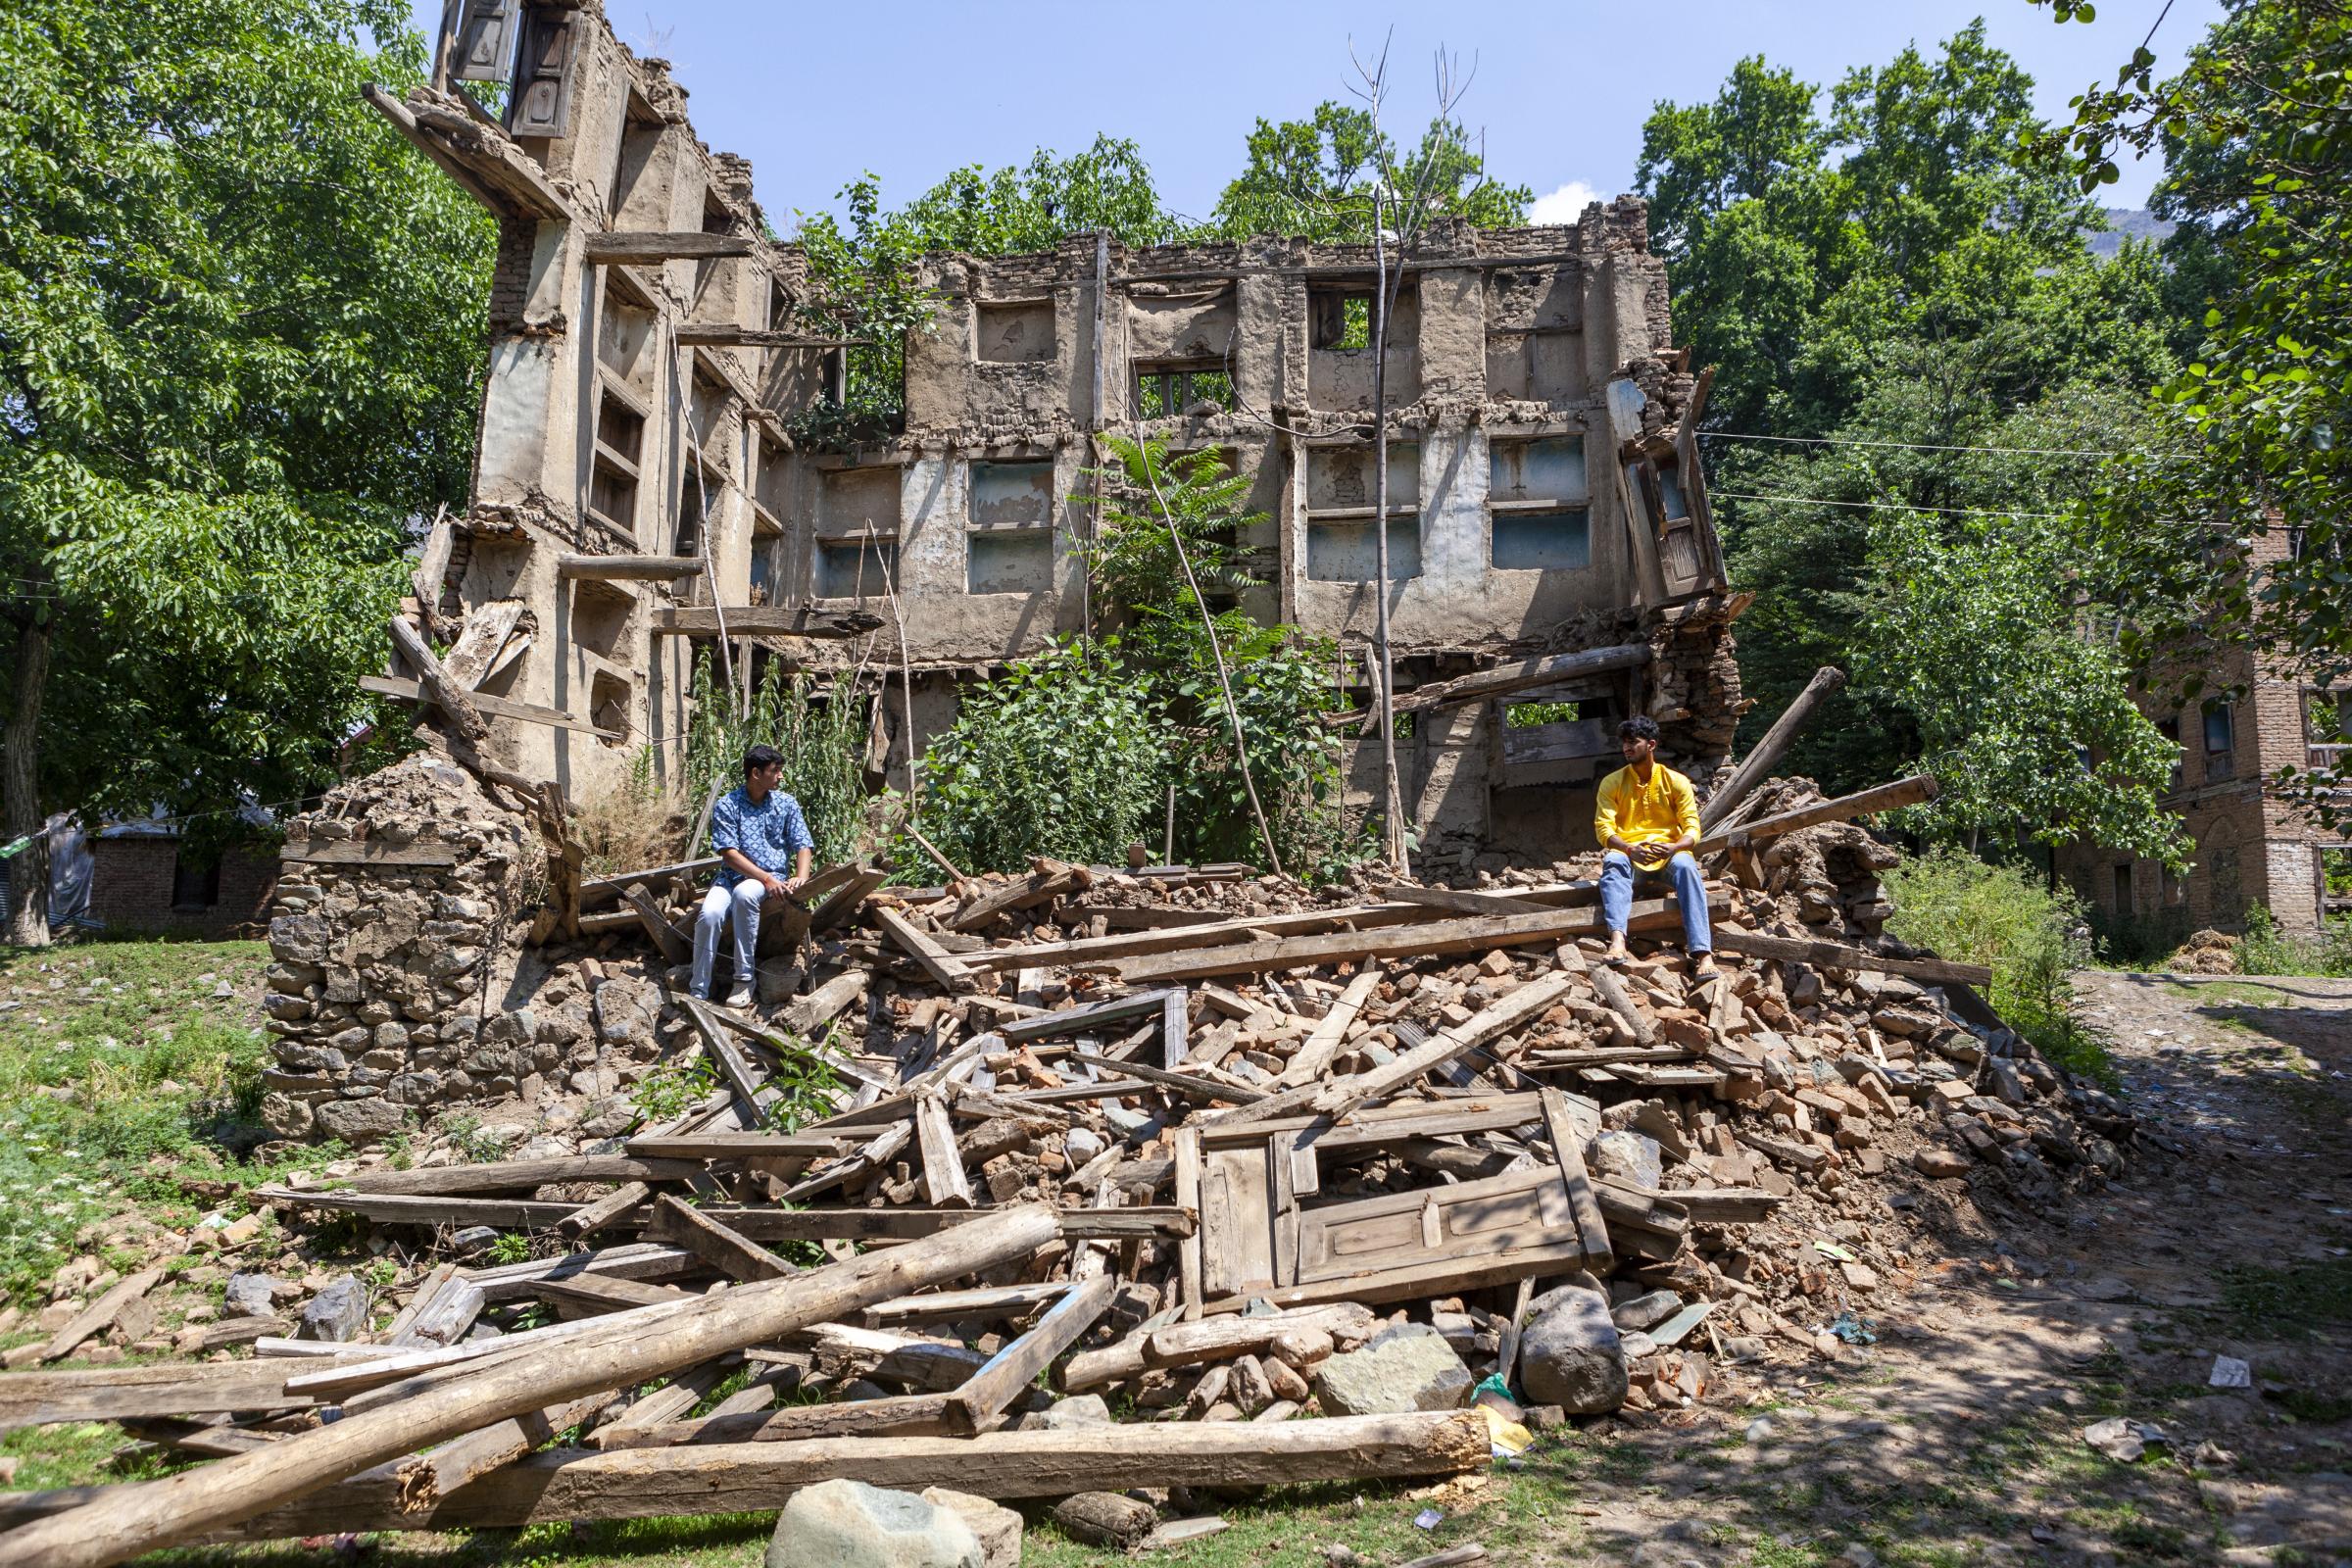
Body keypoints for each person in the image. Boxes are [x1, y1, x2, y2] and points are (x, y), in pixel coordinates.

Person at [1592, 715, 1715, 976]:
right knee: (1613, 861)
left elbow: (1693, 826)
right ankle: (1617, 942)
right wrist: (1628, 849)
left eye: (1633, 742)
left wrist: (1675, 848)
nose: (1626, 748)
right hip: (1629, 853)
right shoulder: (1611, 782)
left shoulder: (1676, 781)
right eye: (1624, 743)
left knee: (1686, 864)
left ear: (1651, 745)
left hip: (1667, 853)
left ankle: (1703, 955)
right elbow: (1603, 829)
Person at [692, 744, 813, 1007]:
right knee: (709, 915)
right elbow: (729, 854)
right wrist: (764, 878)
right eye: (776, 771)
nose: (781, 776)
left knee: (745, 894)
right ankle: (698, 989)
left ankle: (744, 980)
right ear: (756, 773)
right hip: (730, 878)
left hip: (770, 878)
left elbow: (803, 844)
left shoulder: (786, 803)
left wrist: (801, 876)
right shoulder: (728, 804)